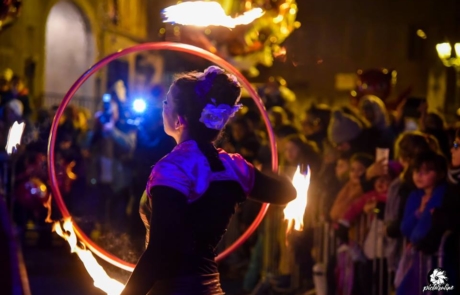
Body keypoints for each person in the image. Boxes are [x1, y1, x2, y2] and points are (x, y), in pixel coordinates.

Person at [121, 66, 296, 295]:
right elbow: (287, 192)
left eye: (166, 103)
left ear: (179, 119)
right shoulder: (234, 166)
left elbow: (160, 250)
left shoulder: (173, 168)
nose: (162, 108)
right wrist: (259, 168)